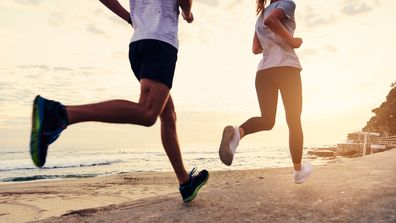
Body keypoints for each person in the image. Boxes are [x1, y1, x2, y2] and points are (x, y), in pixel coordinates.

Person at [29, 0, 209, 202]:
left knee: (168, 115)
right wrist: (187, 14)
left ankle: (185, 182)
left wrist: (129, 17)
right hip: (161, 41)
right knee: (148, 112)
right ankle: (60, 114)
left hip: (138, 43)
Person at [218, 0, 312, 184]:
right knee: (294, 119)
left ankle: (238, 133)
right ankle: (298, 171)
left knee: (267, 120)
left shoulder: (260, 14)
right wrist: (291, 40)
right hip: (286, 69)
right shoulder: (286, 4)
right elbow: (271, 21)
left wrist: (272, 43)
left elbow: (255, 48)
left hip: (264, 72)